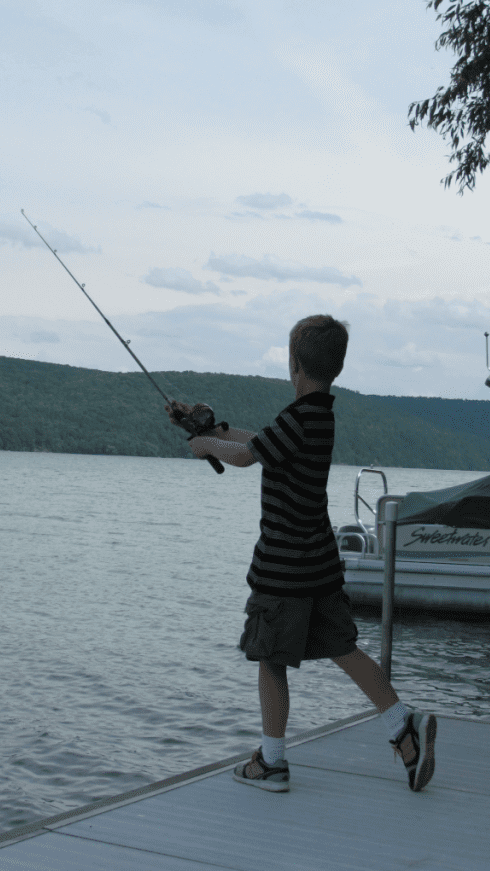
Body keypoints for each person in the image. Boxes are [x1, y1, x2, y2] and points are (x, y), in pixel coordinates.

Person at [166, 314, 436, 793]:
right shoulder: (317, 416)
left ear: (294, 365)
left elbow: (249, 456)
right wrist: (214, 428)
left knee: (269, 660)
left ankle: (271, 763)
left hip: (283, 570)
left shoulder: (297, 418)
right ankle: (402, 725)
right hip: (319, 566)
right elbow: (257, 443)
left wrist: (204, 444)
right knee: (344, 649)